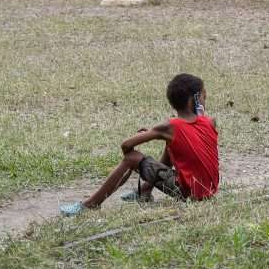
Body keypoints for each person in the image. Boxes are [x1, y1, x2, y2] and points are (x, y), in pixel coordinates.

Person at [59, 73, 219, 216]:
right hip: (209, 191)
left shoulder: (169, 127)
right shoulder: (210, 122)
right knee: (173, 145)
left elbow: (125, 145)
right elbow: (191, 133)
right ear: (196, 100)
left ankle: (91, 204)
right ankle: (145, 191)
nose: (205, 102)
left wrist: (145, 139)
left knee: (132, 157)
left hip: (189, 194)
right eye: (204, 98)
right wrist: (158, 134)